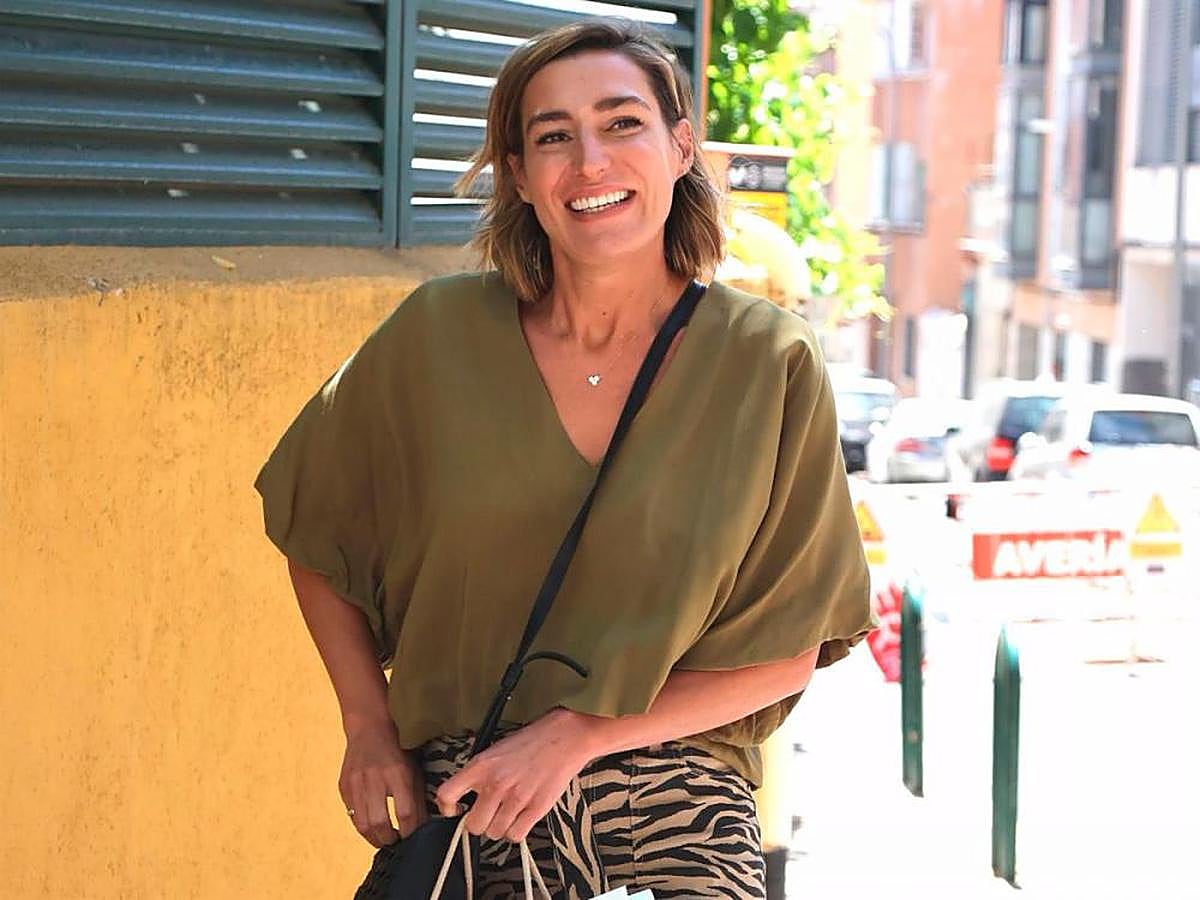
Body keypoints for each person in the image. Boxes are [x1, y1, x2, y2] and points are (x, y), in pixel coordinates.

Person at [255, 19, 872, 899]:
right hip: (474, 818)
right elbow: (317, 533)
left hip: (681, 820)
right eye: (553, 136)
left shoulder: (768, 362)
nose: (590, 161)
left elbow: (790, 649)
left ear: (680, 146)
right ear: (519, 174)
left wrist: (583, 734)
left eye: (622, 123)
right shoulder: (436, 337)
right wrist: (367, 727)